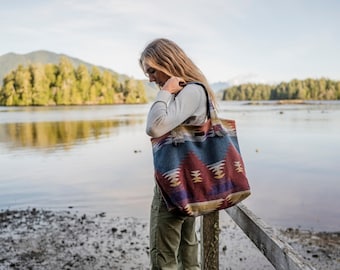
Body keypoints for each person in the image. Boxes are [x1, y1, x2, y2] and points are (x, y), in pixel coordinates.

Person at [139, 38, 217, 269]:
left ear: (167, 62)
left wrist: (164, 92)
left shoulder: (191, 91)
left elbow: (154, 127)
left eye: (152, 71)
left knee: (163, 255)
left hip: (174, 184)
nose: (151, 78)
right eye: (147, 74)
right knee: (186, 247)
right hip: (189, 181)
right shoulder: (193, 90)